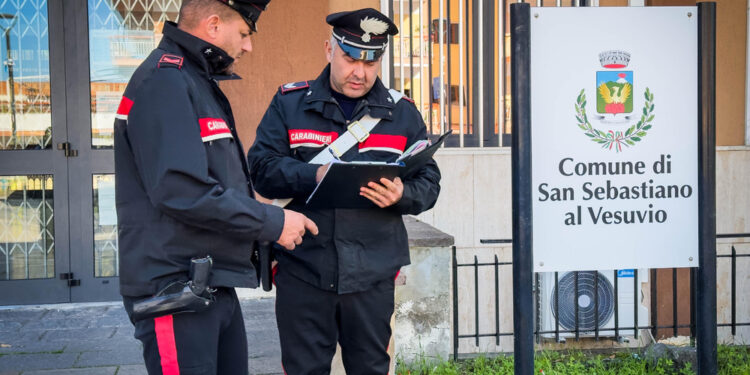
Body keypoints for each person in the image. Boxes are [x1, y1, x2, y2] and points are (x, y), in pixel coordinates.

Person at [113, 0, 317, 373]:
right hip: (175, 290)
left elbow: (214, 182)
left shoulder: (193, 80)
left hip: (211, 280)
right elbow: (181, 191)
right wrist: (273, 222)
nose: (248, 46)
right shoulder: (164, 80)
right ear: (212, 26)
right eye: (243, 33)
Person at [247, 8, 441, 374]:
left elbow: (429, 182)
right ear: (328, 50)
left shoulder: (403, 114)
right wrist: (313, 174)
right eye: (350, 58)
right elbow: (261, 171)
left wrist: (402, 196)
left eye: (371, 62)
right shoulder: (290, 104)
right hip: (303, 269)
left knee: (370, 368)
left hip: (372, 275)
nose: (360, 72)